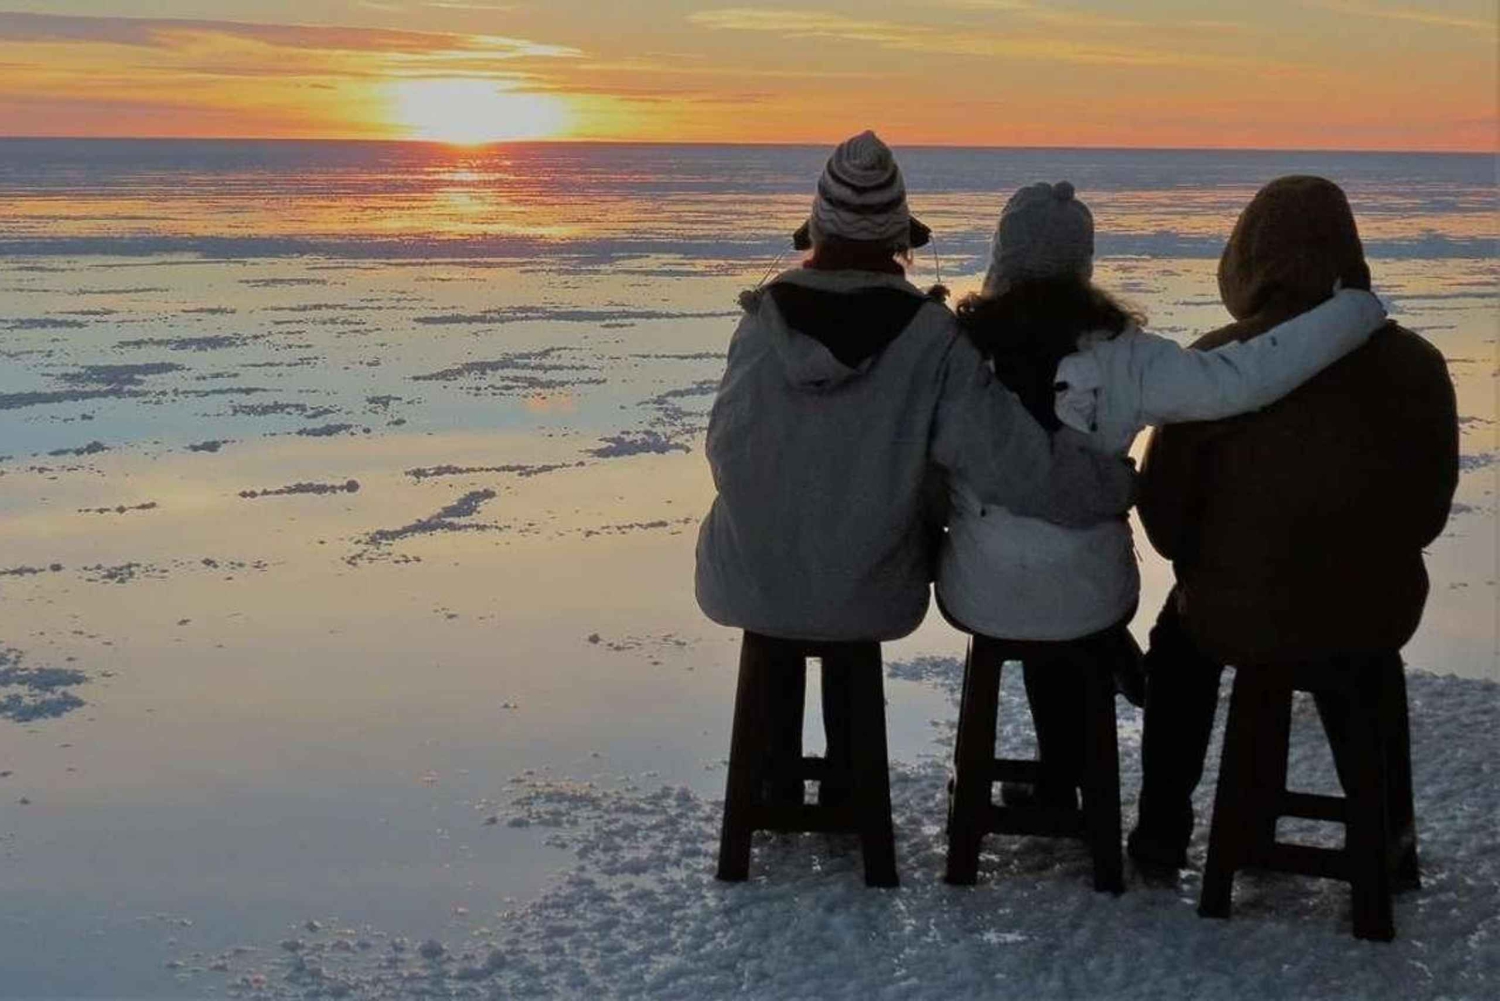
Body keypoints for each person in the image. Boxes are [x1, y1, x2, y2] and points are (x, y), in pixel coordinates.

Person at [934, 180, 1388, 808]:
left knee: (1022, 572)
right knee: (1068, 594)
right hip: (1093, 592)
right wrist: (1354, 311)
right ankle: (1070, 762)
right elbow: (1241, 380)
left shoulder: (953, 353)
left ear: (1001, 258)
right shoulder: (1128, 357)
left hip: (980, 591)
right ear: (1082, 265)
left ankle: (1054, 779)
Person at [1128, 175, 1459, 874]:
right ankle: (1390, 836)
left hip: (1238, 612)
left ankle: (1161, 831)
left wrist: (1220, 561)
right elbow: (1427, 511)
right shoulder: (1417, 366)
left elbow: (1164, 518)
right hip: (1370, 609)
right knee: (1366, 663)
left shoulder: (1219, 361)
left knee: (1180, 643)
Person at [695, 133, 1136, 646]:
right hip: (873, 597)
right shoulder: (929, 336)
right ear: (901, 241)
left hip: (740, 585)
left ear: (814, 232)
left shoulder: (761, 323)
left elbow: (726, 450)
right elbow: (1010, 465)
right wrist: (1116, 487)